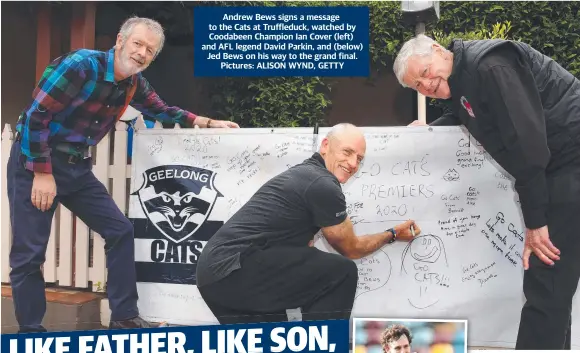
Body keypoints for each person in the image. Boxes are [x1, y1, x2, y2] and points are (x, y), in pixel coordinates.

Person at [7, 16, 239, 333]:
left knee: (120, 231)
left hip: (76, 167)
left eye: (150, 50)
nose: (142, 53)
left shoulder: (132, 84)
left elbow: (162, 110)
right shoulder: (81, 65)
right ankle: (31, 332)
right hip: (36, 160)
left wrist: (208, 123)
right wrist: (43, 173)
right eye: (138, 44)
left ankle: (124, 317)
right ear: (120, 40)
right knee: (29, 254)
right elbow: (37, 114)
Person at [393, 34, 580, 349]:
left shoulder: (491, 65)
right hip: (560, 167)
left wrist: (535, 222)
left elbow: (528, 145)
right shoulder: (464, 79)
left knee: (546, 284)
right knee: (552, 285)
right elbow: (465, 114)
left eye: (424, 74)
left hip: (570, 162)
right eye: (417, 86)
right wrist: (430, 132)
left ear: (438, 50)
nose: (425, 87)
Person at [196, 123, 421, 324]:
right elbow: (351, 248)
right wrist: (392, 234)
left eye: (359, 159)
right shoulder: (322, 184)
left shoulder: (305, 175)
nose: (353, 163)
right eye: (347, 152)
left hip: (213, 277)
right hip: (233, 269)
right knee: (341, 272)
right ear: (325, 146)